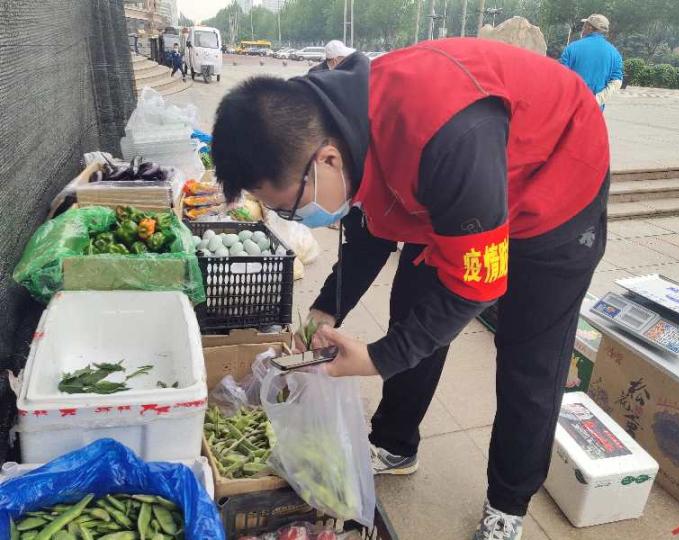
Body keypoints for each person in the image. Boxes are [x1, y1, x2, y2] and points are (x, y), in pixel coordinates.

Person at [212, 38, 609, 540]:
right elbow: (368, 225)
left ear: (326, 161)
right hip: (463, 192)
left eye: (288, 207)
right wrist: (327, 309)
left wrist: (377, 359)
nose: (294, 218)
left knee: (529, 360)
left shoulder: (446, 134)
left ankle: (508, 505)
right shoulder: (333, 122)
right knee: (414, 311)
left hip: (555, 190)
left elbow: (475, 284)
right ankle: (395, 443)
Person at [560, 14, 623, 110]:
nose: (583, 28)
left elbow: (561, 77)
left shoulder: (572, 48)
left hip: (571, 107)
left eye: (584, 26)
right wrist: (596, 100)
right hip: (595, 110)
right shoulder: (614, 53)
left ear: (589, 28)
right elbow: (616, 82)